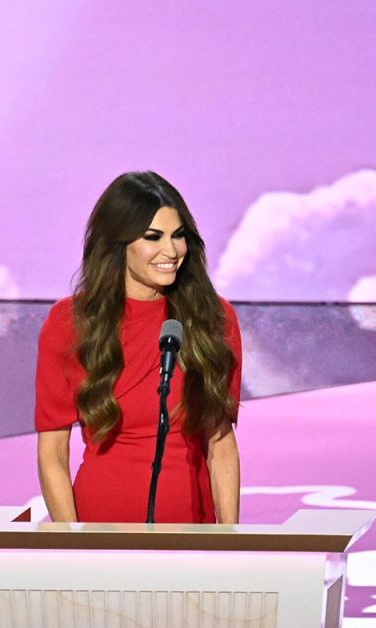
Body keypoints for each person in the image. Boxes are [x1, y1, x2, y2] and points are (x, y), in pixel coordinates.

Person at [35, 171, 241, 524]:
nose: (171, 250)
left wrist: (229, 542)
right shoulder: (70, 323)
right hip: (100, 530)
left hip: (193, 531)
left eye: (178, 236)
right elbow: (52, 454)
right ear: (118, 244)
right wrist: (71, 543)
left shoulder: (212, 317)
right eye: (152, 237)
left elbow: (220, 444)